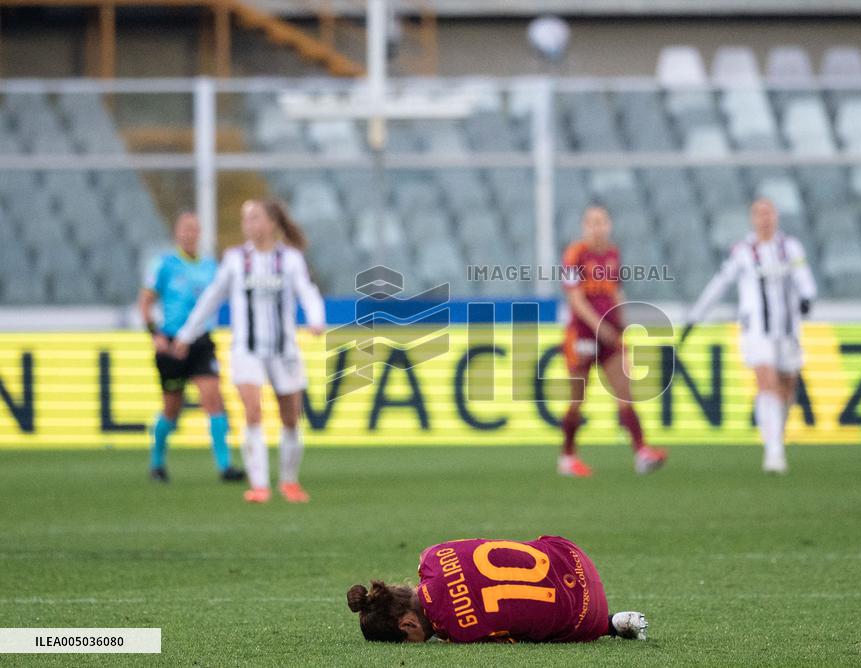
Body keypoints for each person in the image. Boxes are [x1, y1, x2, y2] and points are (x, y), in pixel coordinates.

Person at [172, 199, 325, 503]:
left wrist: (316, 318)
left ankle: (288, 481)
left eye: (254, 218)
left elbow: (307, 291)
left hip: (284, 349)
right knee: (252, 411)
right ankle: (259, 485)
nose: (248, 225)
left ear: (271, 222)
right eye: (246, 219)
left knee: (291, 417)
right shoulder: (234, 259)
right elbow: (212, 298)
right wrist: (187, 334)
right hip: (247, 349)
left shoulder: (290, 259)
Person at [681, 198, 818, 474]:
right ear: (752, 219)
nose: (764, 218)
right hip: (757, 329)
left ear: (776, 216)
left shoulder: (790, 247)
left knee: (788, 386)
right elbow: (720, 284)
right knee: (766, 381)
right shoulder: (742, 251)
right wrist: (695, 317)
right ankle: (774, 452)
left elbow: (804, 276)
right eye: (759, 214)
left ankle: (774, 436)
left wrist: (807, 298)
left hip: (788, 328)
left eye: (768, 213)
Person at [346, 535, 648, 644]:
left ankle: (611, 625)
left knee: (532, 631)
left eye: (410, 641)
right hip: (571, 554)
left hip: (588, 617)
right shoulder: (432, 555)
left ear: (408, 623)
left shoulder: (457, 632)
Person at [559, 204, 668, 477]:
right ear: (585, 227)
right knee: (577, 400)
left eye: (602, 222)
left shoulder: (612, 254)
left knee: (625, 392)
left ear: (609, 225)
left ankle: (642, 452)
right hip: (582, 336)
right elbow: (576, 298)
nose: (598, 228)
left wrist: (622, 321)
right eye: (592, 222)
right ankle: (568, 456)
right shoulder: (575, 254)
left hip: (610, 335)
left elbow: (616, 291)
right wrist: (600, 326)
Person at [138, 211, 244, 483]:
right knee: (172, 410)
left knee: (214, 400)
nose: (189, 234)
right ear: (177, 233)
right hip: (172, 343)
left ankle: (224, 467)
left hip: (201, 342)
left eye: (193, 229)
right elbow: (146, 301)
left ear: (199, 234)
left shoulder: (211, 266)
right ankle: (157, 463)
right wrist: (155, 335)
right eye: (185, 229)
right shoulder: (164, 265)